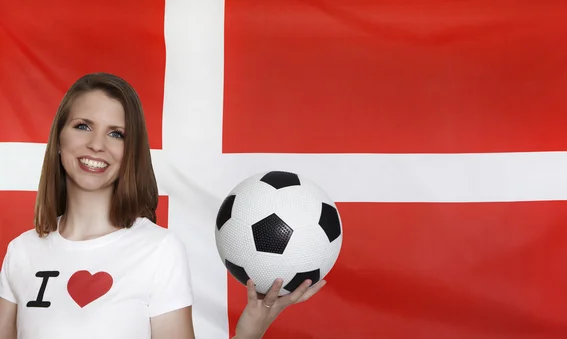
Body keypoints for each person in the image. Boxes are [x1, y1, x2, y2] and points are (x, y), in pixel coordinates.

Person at [0, 72, 326, 339]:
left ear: (132, 152)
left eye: (117, 134)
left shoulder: (159, 250)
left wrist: (249, 332)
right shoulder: (22, 252)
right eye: (83, 126)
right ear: (59, 138)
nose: (97, 144)